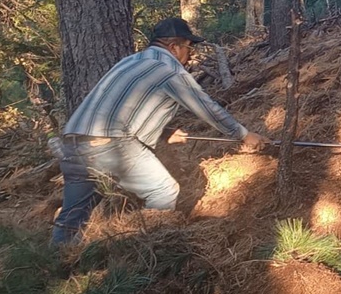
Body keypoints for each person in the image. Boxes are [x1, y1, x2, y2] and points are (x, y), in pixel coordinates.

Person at [51, 17, 268, 244]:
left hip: (73, 143)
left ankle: (55, 266)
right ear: (173, 47)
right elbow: (206, 107)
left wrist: (164, 132)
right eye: (188, 46)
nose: (191, 54)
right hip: (110, 145)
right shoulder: (168, 69)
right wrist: (243, 134)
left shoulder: (131, 62)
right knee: (163, 191)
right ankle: (145, 255)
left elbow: (126, 108)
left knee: (71, 219)